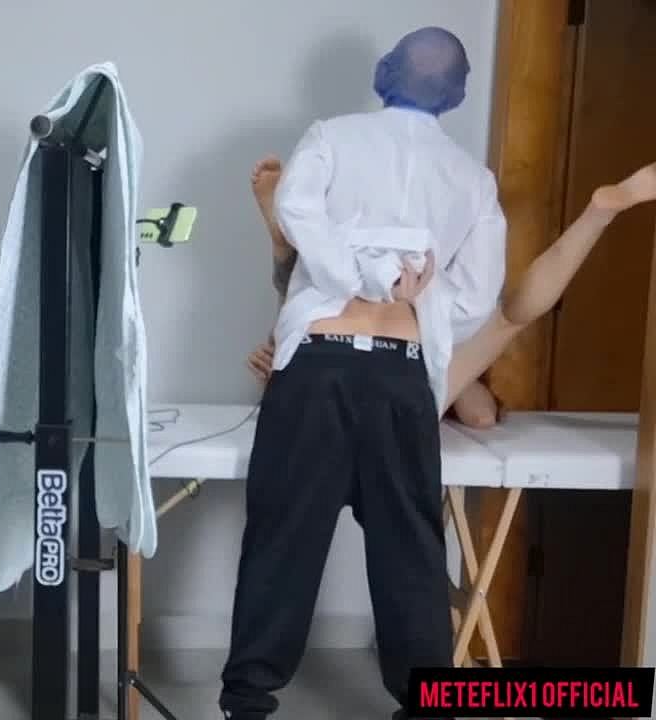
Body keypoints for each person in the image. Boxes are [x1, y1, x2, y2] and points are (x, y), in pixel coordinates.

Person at [218, 25, 656, 720]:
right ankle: (427, 705)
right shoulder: (471, 180)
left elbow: (297, 210)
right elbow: (480, 295)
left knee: (282, 538)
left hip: (320, 366)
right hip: (399, 375)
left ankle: (247, 703)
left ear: (386, 71)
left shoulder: (331, 137)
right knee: (412, 552)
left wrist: (351, 275)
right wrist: (413, 299)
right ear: (456, 95)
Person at [246, 155, 503, 428]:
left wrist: (442, 354)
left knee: (322, 291)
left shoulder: (454, 332)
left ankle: (286, 248)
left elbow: (482, 415)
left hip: (397, 377)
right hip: (343, 366)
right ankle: (286, 249)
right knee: (322, 292)